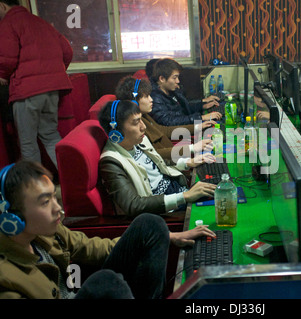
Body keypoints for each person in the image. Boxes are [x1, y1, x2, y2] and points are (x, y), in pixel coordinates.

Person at [0, 160, 216, 299]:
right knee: (105, 283)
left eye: (54, 198)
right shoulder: (6, 281)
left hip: (77, 289)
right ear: (11, 218)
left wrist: (169, 236)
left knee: (150, 225)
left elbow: (90, 247)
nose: (59, 209)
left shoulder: (45, 233)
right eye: (45, 202)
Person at [98, 100, 217, 217]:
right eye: (136, 122)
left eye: (141, 120)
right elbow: (133, 205)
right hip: (166, 209)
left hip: (178, 189)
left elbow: (158, 162)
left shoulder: (137, 140)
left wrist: (188, 162)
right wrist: (185, 196)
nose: (143, 127)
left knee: (221, 187)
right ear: (116, 132)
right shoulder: (110, 162)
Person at [0, 1, 73, 169]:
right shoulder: (41, 22)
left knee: (27, 143)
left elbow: (6, 56)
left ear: (2, 6)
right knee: (51, 136)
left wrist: (2, 74)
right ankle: (71, 179)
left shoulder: (9, 23)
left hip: (27, 91)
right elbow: (67, 51)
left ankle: (36, 189)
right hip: (52, 90)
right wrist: (54, 72)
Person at [115, 75, 215, 163]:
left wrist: (197, 127)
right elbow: (152, 154)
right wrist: (192, 148)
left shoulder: (144, 116)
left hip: (175, 158)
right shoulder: (134, 127)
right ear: (134, 101)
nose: (151, 99)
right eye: (146, 96)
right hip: (172, 162)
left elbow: (164, 130)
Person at [150, 58, 222, 126]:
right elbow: (168, 121)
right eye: (174, 78)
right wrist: (201, 117)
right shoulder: (155, 97)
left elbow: (184, 107)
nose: (178, 81)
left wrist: (202, 106)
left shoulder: (169, 91)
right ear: (162, 79)